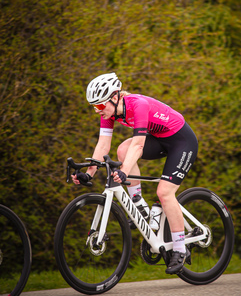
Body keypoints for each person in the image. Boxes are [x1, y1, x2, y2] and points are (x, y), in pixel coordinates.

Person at [72, 72, 198, 275]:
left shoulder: (137, 105)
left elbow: (138, 145)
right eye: (94, 107)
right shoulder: (111, 113)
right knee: (122, 150)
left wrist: (123, 172)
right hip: (159, 139)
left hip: (181, 142)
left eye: (100, 106)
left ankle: (180, 249)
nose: (97, 111)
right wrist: (90, 173)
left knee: (164, 193)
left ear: (114, 97)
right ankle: (139, 205)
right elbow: (103, 145)